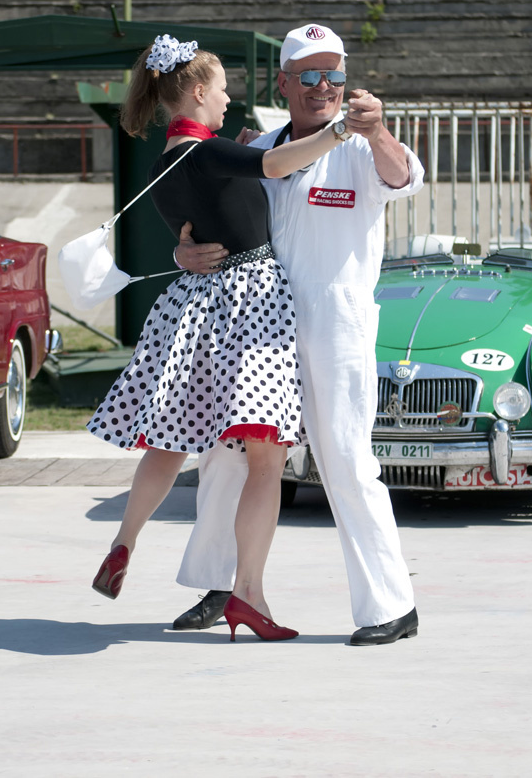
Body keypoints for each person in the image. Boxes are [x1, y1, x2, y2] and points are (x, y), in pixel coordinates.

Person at [87, 34, 348, 642]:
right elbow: (278, 163)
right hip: (249, 305)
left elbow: (192, 232)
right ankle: (249, 593)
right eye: (225, 91)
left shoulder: (162, 166)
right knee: (266, 457)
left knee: (171, 439)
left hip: (192, 309)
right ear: (199, 92)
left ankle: (125, 540)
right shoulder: (209, 154)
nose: (230, 102)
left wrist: (183, 251)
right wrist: (340, 131)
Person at [172, 23, 425, 645]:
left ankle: (391, 606)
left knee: (343, 456)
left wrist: (379, 128)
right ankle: (220, 586)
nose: (324, 87)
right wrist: (182, 255)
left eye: (334, 74)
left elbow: (404, 179)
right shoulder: (259, 147)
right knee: (227, 455)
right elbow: (206, 219)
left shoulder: (364, 148)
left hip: (336, 322)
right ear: (283, 83)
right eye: (309, 76)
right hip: (260, 321)